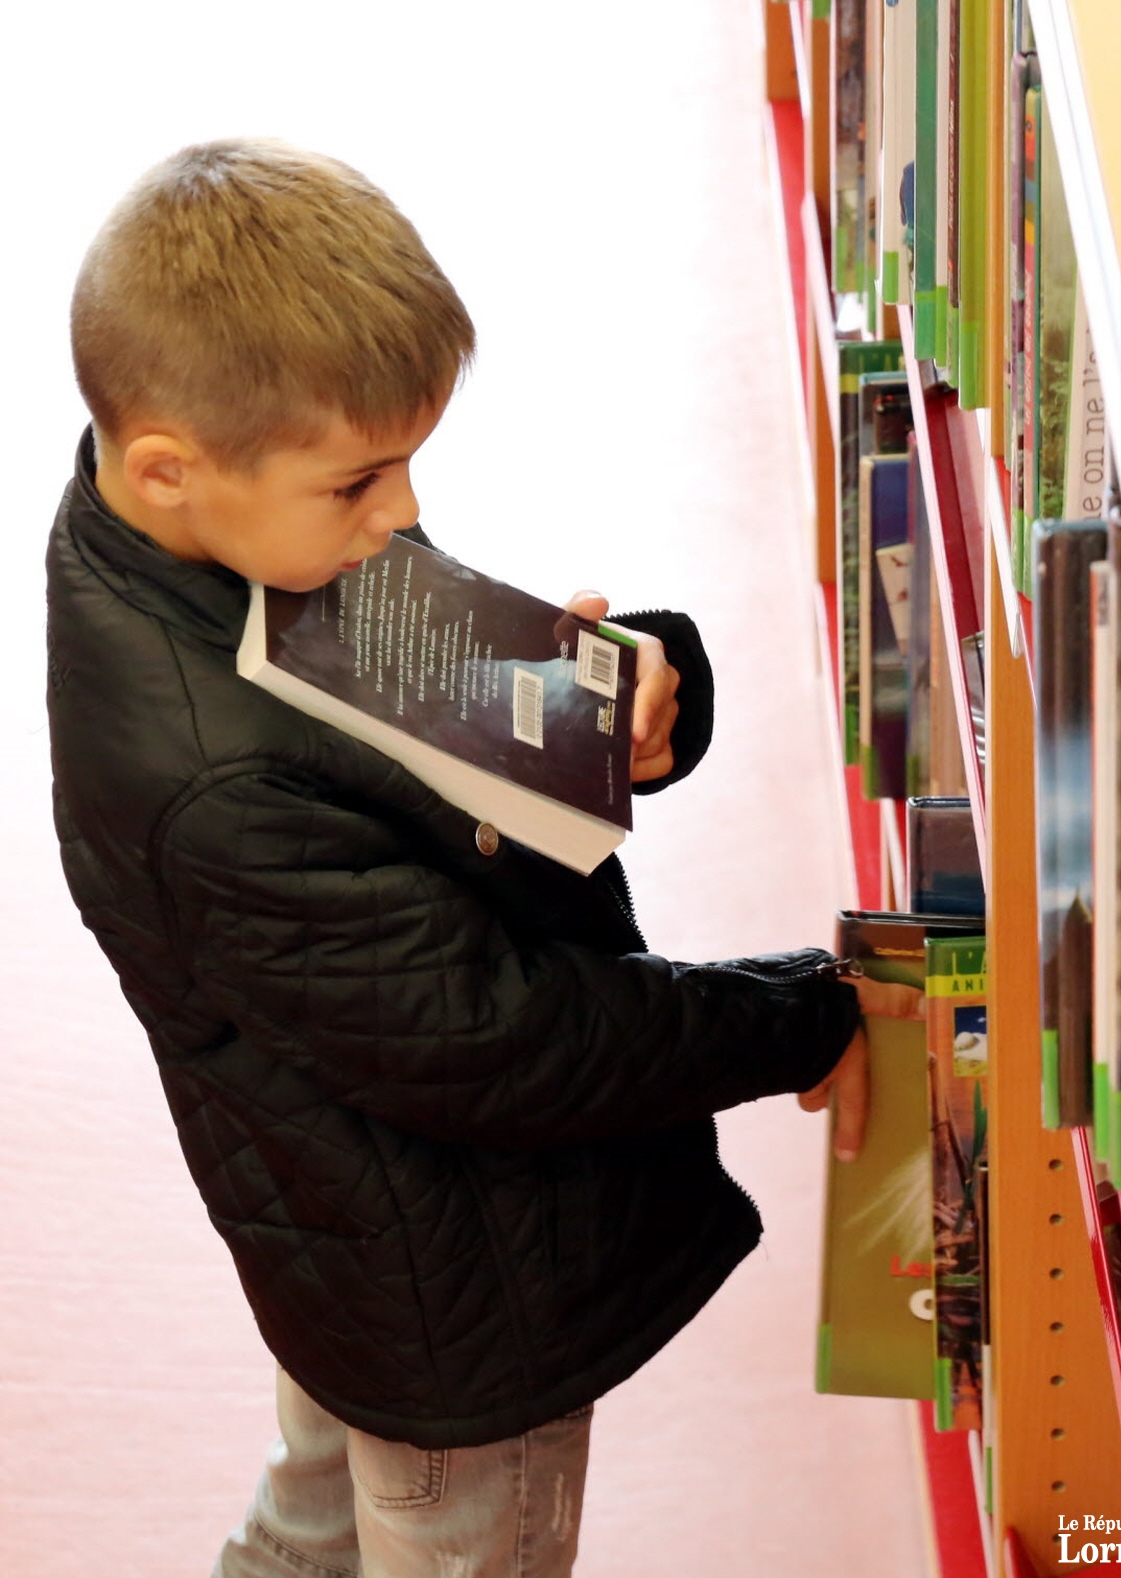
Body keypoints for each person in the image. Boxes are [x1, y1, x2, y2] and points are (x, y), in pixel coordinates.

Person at [46, 139, 916, 1578]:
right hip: (453, 1287)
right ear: (170, 467)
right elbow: (497, 1036)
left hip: (353, 1246)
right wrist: (799, 1012)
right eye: (361, 480)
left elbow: (407, 711)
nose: (401, 513)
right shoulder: (212, 778)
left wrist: (628, 697)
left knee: (310, 1528)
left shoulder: (202, 540)